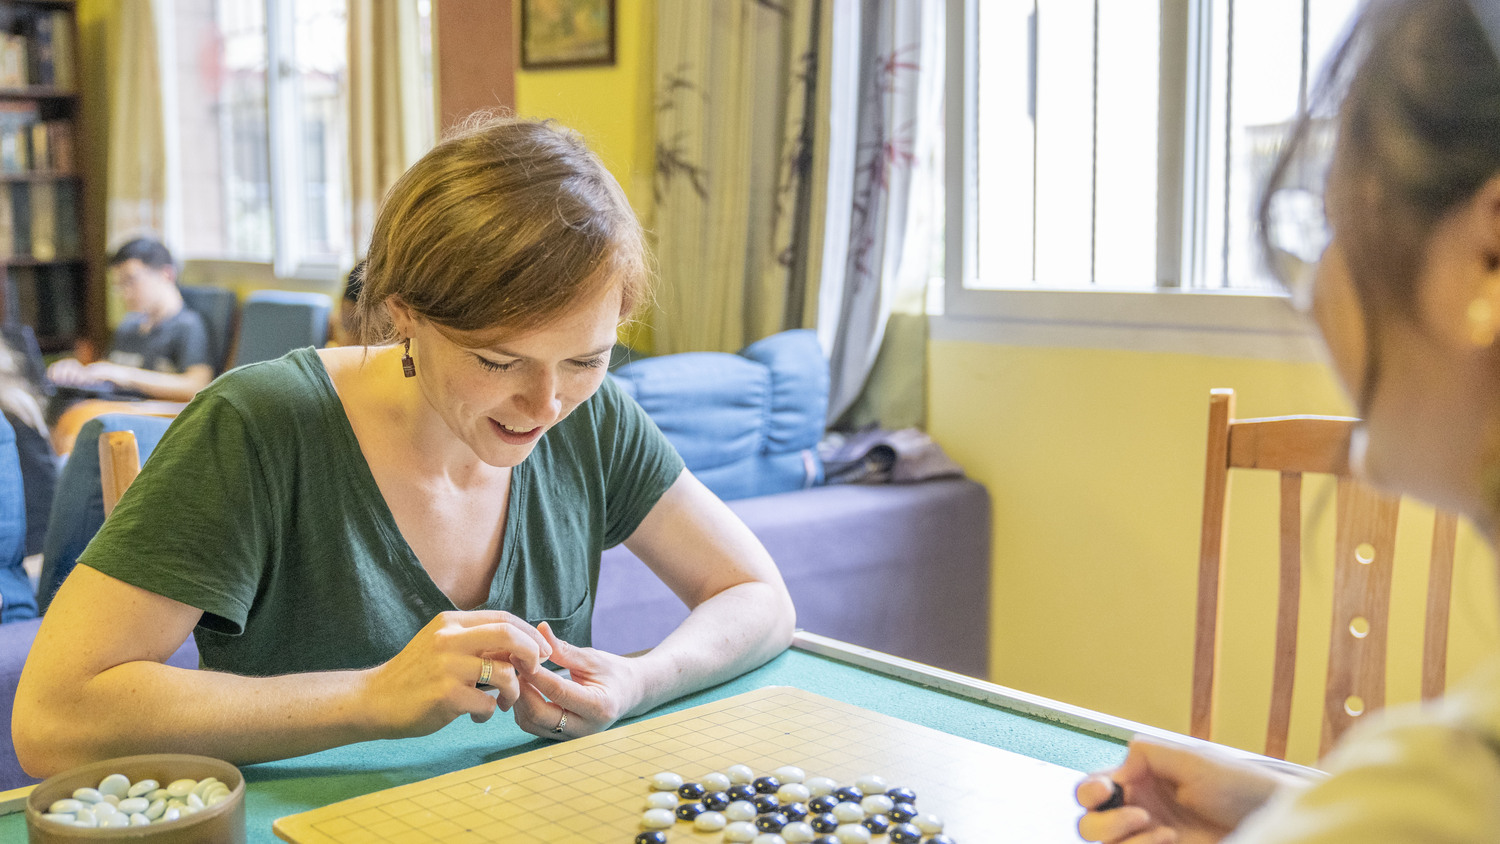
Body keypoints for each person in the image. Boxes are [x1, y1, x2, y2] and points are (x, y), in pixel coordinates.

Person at [12, 115, 796, 776]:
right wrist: (372, 695)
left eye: (586, 360)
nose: (547, 404)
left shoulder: (594, 419)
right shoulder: (258, 425)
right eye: (499, 361)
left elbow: (759, 599)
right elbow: (52, 716)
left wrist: (638, 681)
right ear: (404, 315)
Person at [1076, 0, 1500, 841]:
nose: (1318, 291)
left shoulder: (1426, 793)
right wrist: (1288, 812)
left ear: (1486, 254)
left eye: (1331, 226)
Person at [44, 237, 213, 424]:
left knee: (76, 418)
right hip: (108, 408)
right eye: (120, 285)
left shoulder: (188, 325)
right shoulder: (128, 325)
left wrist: (127, 375)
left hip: (146, 418)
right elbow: (108, 373)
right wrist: (78, 373)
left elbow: (197, 386)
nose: (125, 293)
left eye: (131, 281)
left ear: (166, 275)